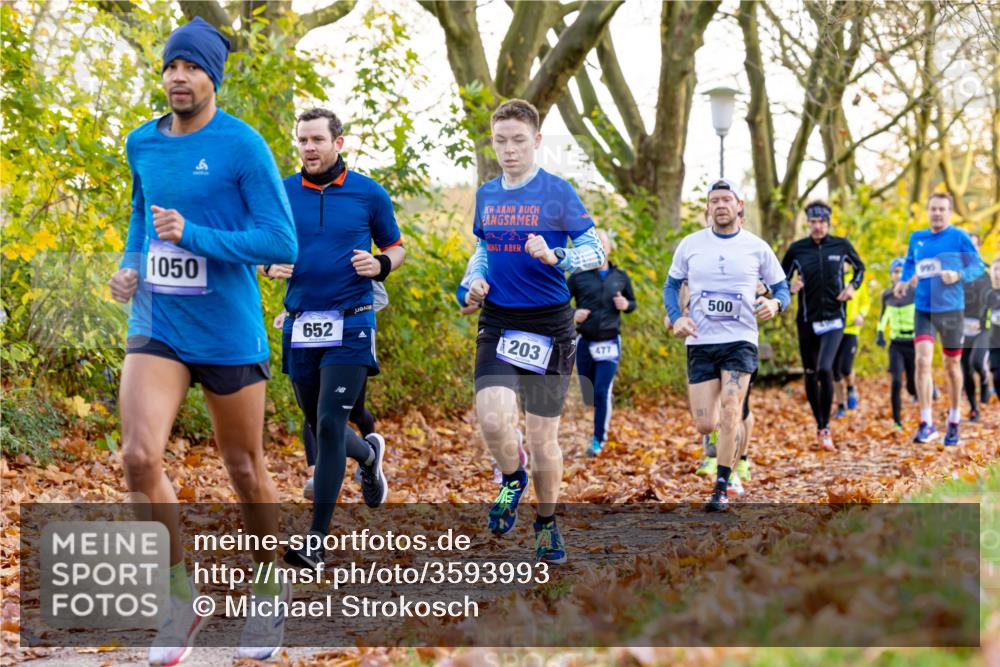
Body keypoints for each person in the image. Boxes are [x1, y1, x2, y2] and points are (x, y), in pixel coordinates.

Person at [106, 18, 298, 664]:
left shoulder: (242, 146)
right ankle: (179, 597)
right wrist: (130, 264)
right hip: (158, 322)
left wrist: (194, 235)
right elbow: (141, 214)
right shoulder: (142, 142)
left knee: (244, 467)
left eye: (191, 67)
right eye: (171, 66)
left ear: (212, 76)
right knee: (138, 456)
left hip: (227, 329)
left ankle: (269, 586)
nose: (178, 77)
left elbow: (281, 241)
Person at [463, 99, 605, 563]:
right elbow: (482, 249)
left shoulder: (557, 192)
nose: (509, 150)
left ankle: (546, 523)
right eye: (500, 141)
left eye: (519, 141)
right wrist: (473, 281)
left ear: (537, 141)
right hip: (499, 320)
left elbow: (595, 252)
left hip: (550, 324)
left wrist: (556, 256)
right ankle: (512, 478)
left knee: (542, 438)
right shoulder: (487, 194)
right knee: (492, 418)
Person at [270, 108, 405, 568]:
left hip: (352, 320)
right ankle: (367, 455)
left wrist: (380, 265)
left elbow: (395, 248)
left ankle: (316, 540)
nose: (309, 148)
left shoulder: (368, 193)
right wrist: (267, 265)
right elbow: (258, 244)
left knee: (330, 423)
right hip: (301, 322)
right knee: (316, 421)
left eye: (317, 140)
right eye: (302, 140)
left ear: (338, 143)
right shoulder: (283, 193)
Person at [664, 179, 789, 511]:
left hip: (740, 340)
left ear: (738, 206)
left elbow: (782, 287)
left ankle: (722, 485)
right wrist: (676, 317)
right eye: (714, 200)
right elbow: (671, 286)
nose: (720, 205)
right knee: (706, 423)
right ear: (708, 207)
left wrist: (775, 304)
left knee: (733, 407)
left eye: (726, 200)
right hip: (701, 341)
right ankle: (721, 443)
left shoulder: (756, 247)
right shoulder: (691, 244)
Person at [273, 279, 387, 499]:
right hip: (309, 336)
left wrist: (349, 314)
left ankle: (370, 450)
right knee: (315, 414)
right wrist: (291, 313)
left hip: (349, 343)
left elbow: (380, 297)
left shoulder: (356, 261)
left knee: (356, 413)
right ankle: (317, 475)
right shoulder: (302, 258)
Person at [896, 192, 986, 445]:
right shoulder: (917, 237)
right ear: (928, 211)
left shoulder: (959, 236)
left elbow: (978, 266)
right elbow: (910, 263)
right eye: (933, 209)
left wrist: (958, 275)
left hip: (951, 310)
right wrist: (904, 280)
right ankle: (926, 423)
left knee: (952, 365)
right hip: (924, 308)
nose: (937, 213)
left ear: (949, 212)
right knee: (922, 361)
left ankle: (954, 420)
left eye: (942, 209)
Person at [781, 201, 865, 450]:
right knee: (810, 374)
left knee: (825, 369)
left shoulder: (841, 245)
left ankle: (826, 427)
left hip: (835, 319)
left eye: (821, 222)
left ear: (828, 223)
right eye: (813, 222)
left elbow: (860, 268)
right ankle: (820, 425)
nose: (817, 227)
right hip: (807, 320)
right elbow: (779, 280)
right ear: (808, 224)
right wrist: (789, 287)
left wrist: (852, 287)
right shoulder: (797, 249)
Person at [455, 257, 529, 483]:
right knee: (500, 399)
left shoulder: (540, 246)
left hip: (536, 331)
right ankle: (505, 459)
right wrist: (471, 297)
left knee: (523, 401)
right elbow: (462, 292)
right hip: (496, 333)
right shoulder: (484, 254)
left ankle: (514, 439)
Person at [567, 228, 637, 456]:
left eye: (603, 243)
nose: (599, 247)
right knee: (590, 394)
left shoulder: (620, 277)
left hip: (610, 342)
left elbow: (633, 303)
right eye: (594, 243)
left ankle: (598, 439)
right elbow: (559, 305)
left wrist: (626, 305)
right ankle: (600, 409)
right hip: (585, 342)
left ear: (609, 248)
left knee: (601, 390)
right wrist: (573, 314)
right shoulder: (578, 277)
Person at [877, 258, 918, 429]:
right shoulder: (887, 295)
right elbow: (883, 315)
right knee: (896, 382)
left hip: (913, 344)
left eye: (902, 271)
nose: (899, 274)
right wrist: (880, 333)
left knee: (912, 386)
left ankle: (926, 392)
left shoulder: (915, 292)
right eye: (895, 271)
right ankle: (897, 421)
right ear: (891, 275)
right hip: (896, 344)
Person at [960, 233, 992, 421]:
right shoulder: (957, 273)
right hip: (962, 327)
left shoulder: (987, 273)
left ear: (979, 248)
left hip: (983, 327)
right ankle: (974, 408)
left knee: (977, 362)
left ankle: (985, 380)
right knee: (965, 369)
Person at [833, 264, 871, 418]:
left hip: (851, 330)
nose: (842, 264)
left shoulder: (856, 281)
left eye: (846, 261)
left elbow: (866, 302)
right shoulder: (832, 278)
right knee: (834, 370)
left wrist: (861, 314)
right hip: (834, 329)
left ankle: (851, 387)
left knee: (846, 368)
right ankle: (841, 405)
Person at [987, 258, 1000, 402]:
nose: (997, 273)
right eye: (995, 269)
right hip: (994, 344)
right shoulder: (988, 294)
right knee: (997, 378)